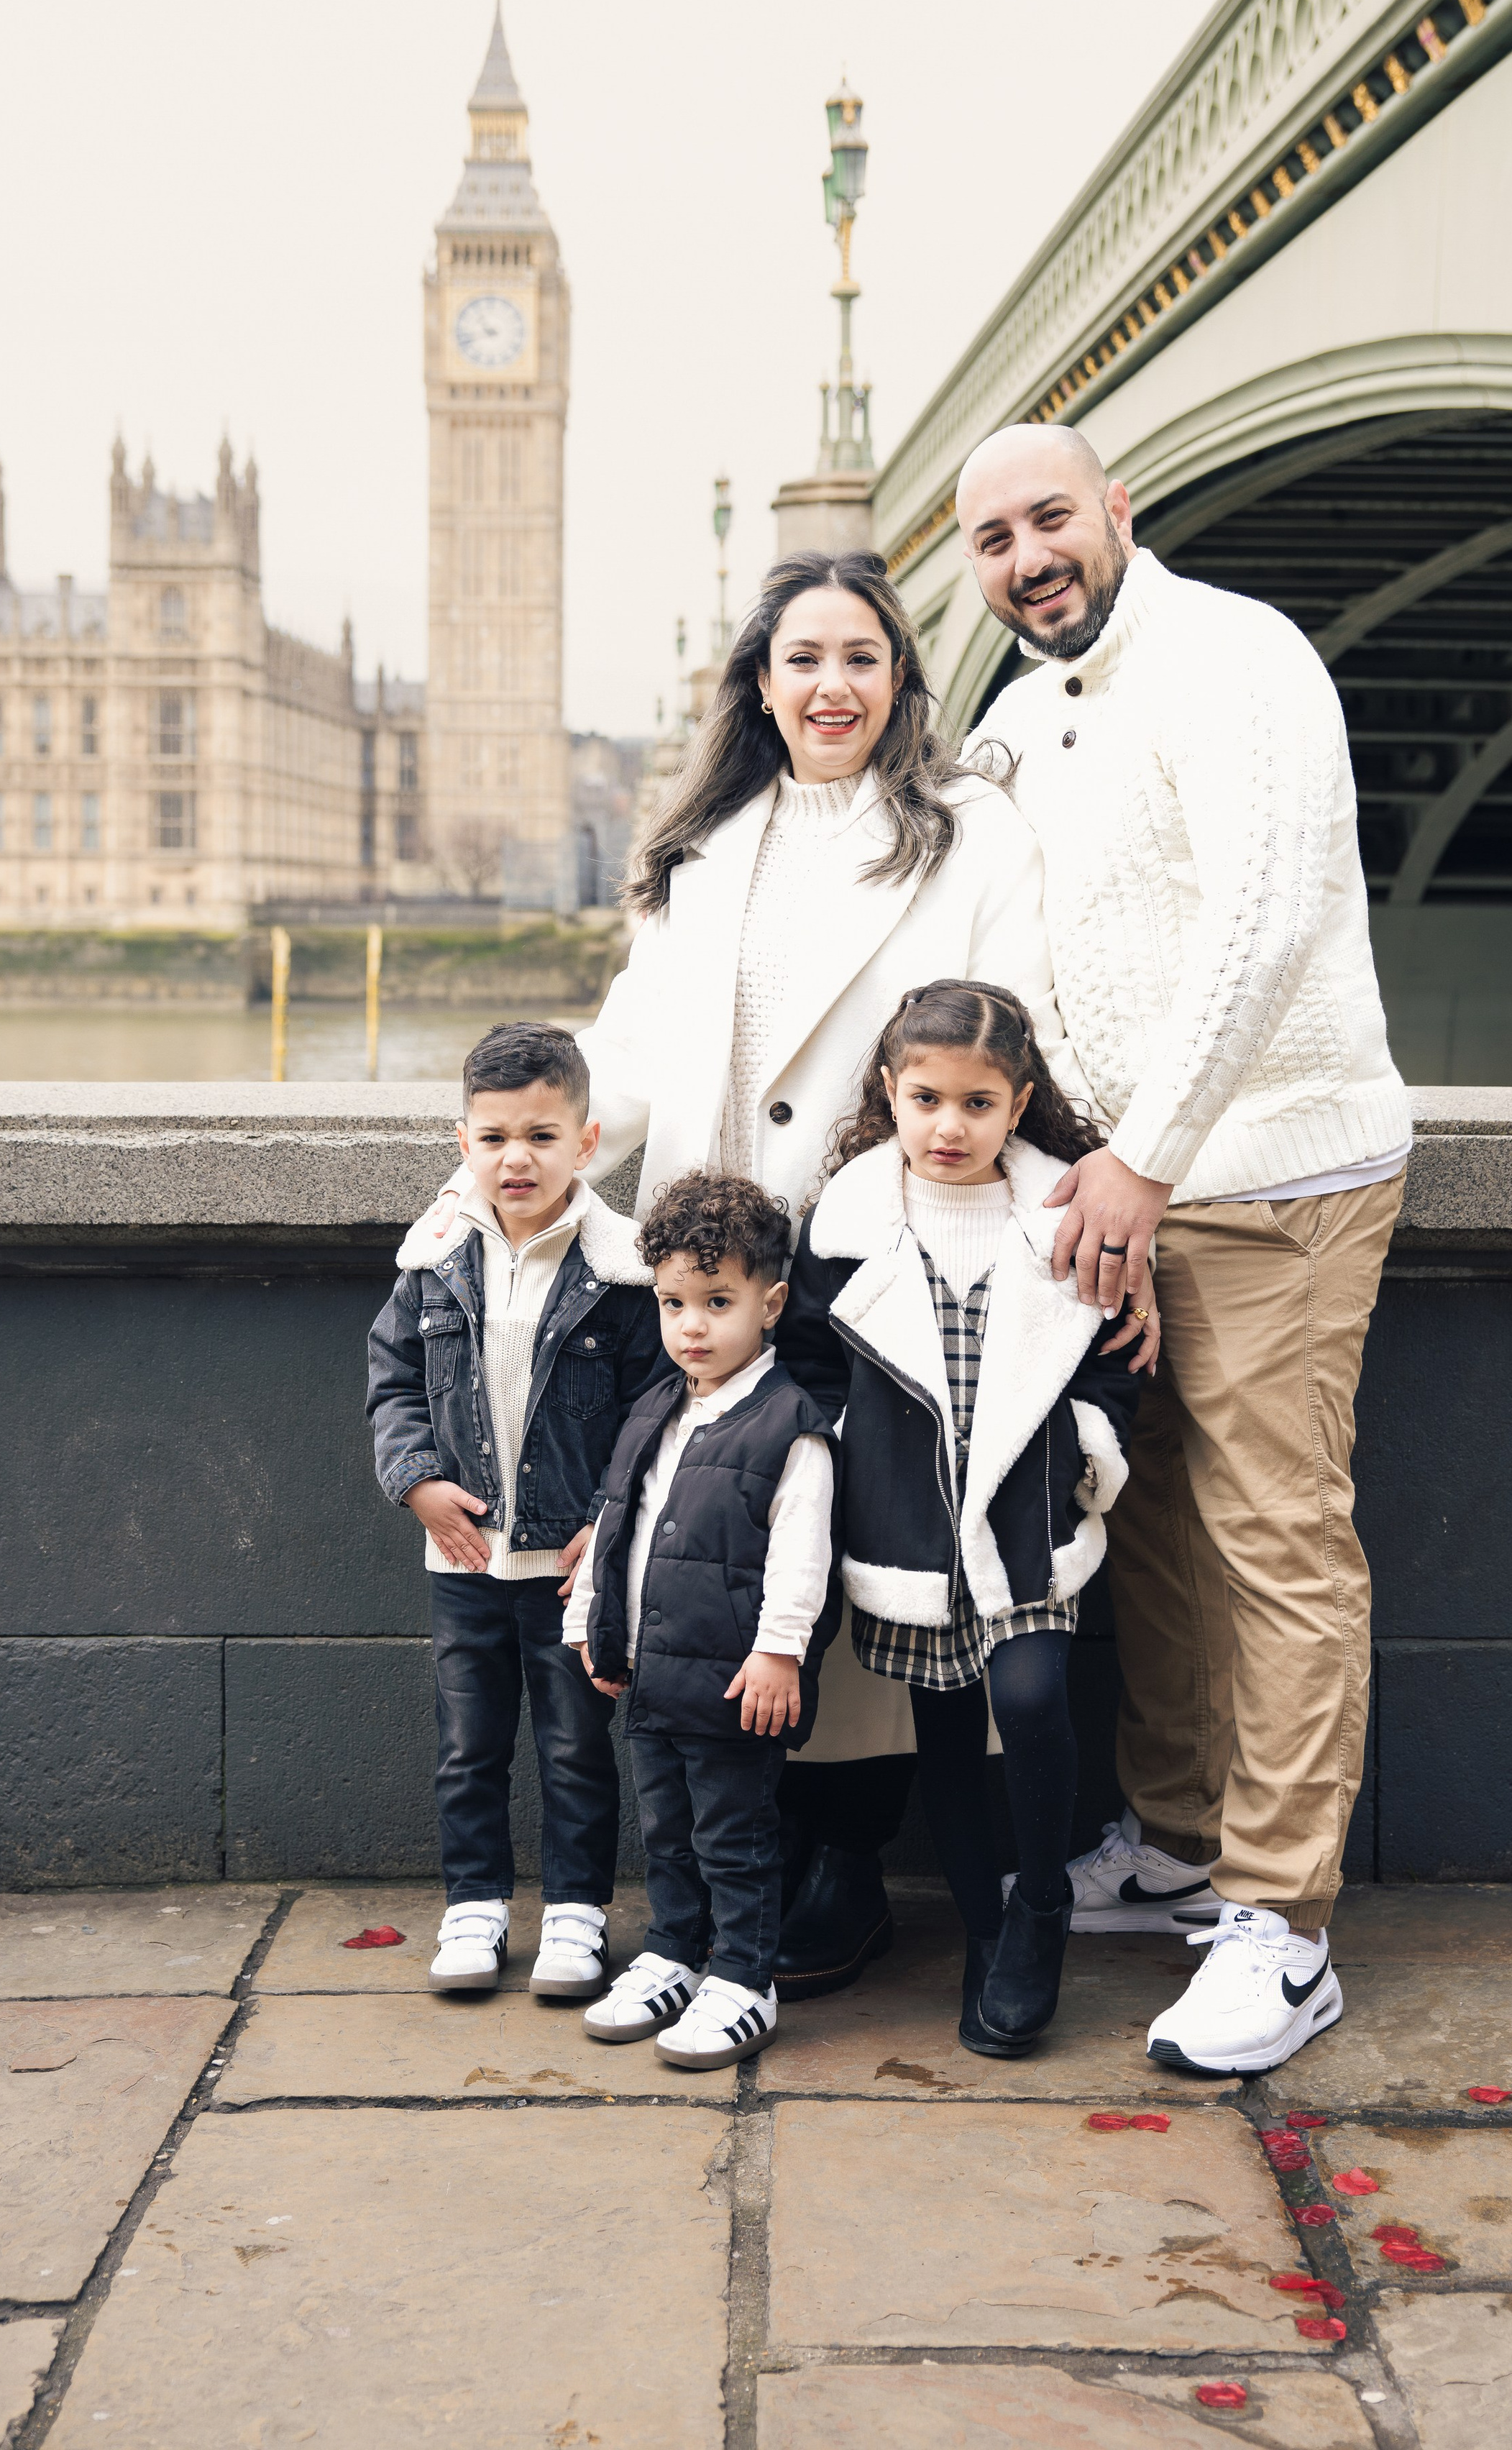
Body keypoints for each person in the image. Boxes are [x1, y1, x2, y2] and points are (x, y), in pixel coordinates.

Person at [413, 549, 1084, 1998]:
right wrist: (492, 1191)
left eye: (858, 656)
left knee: (847, 1575)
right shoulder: (708, 841)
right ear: (760, 685)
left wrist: (1088, 1202)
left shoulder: (970, 834)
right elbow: (628, 1063)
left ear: (900, 678)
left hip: (865, 1265)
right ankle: (753, 1864)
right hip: (703, 1280)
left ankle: (841, 1863)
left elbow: (1016, 1045)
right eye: (800, 660)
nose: (828, 685)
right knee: (712, 1568)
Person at [956, 424, 1413, 2078]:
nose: (1025, 555)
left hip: (1279, 1172)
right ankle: (1174, 1843)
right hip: (1124, 1190)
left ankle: (1280, 1929)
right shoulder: (1012, 723)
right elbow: (1033, 975)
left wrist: (1142, 1160)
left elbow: (1264, 912)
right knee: (1137, 1525)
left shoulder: (1233, 652)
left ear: (1115, 510)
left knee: (1274, 1533)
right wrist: (1092, 1171)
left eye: (1048, 516)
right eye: (991, 537)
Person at [780, 981, 1140, 2055]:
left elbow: (1120, 1362)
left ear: (1019, 1102)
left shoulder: (1067, 1216)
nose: (949, 1126)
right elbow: (807, 1365)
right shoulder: (841, 1224)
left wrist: (1090, 1447)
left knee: (1029, 1698)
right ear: (890, 1092)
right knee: (941, 1720)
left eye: (978, 1103)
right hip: (909, 1525)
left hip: (1028, 1514)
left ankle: (1040, 1915)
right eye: (926, 1097)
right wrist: (842, 1463)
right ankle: (985, 1929)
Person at [365, 1020, 666, 1998]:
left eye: (541, 1135)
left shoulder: (624, 1270)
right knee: (470, 1747)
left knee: (578, 1748)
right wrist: (414, 1477)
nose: (516, 1157)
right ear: (465, 1144)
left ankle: (577, 1917)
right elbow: (394, 1380)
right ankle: (476, 1910)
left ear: (586, 1143)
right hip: (462, 1563)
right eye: (494, 1137)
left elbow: (653, 1409)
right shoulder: (435, 1259)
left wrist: (612, 1516)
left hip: (570, 1564)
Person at [564, 1172, 836, 2069]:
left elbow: (803, 1554)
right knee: (667, 1833)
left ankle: (744, 1976)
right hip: (649, 1676)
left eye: (718, 1302)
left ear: (771, 1303)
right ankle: (674, 1953)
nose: (691, 1326)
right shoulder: (655, 1409)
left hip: (732, 1683)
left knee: (735, 1838)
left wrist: (778, 1653)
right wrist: (595, 1625)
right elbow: (617, 1527)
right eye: (675, 1302)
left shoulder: (789, 1424)